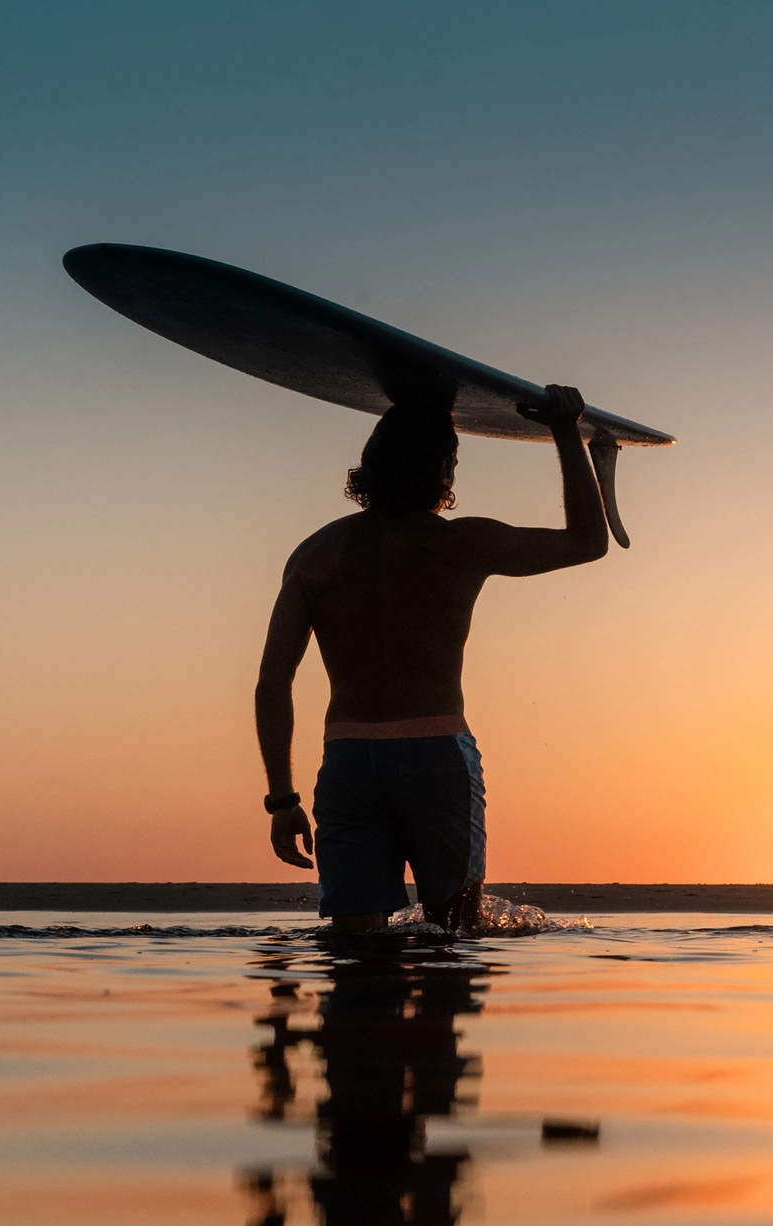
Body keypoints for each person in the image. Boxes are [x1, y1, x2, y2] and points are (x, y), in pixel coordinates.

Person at [254, 385, 609, 933]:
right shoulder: (463, 544)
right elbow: (588, 542)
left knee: (356, 949)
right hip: (435, 757)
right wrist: (565, 431)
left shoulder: (314, 555)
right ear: (443, 470)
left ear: (370, 466)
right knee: (456, 934)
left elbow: (273, 682)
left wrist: (282, 799)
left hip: (349, 760)